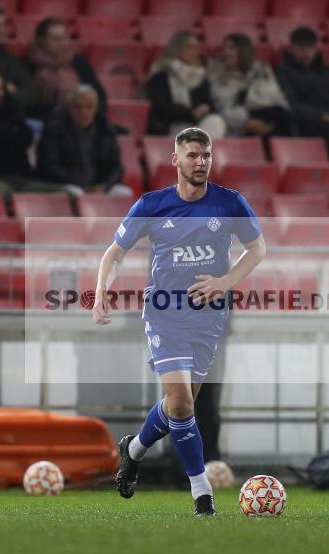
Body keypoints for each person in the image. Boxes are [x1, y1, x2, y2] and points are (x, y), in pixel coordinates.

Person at [95, 127, 266, 516]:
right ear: (176, 160)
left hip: (208, 318)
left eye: (205, 155)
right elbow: (114, 253)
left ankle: (134, 448)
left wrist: (225, 282)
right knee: (182, 401)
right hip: (164, 313)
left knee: (178, 405)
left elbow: (258, 249)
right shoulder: (152, 205)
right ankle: (202, 494)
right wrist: (103, 288)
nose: (200, 162)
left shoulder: (229, 203)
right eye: (192, 155)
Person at [37, 84, 131, 197]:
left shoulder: (105, 129)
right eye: (78, 107)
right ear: (69, 107)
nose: (83, 112)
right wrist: (81, 183)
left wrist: (105, 185)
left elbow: (116, 167)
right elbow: (50, 167)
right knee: (75, 193)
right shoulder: (54, 129)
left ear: (96, 108)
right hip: (66, 183)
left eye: (89, 107)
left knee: (124, 193)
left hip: (99, 184)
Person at [144, 30, 227, 138]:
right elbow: (161, 108)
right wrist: (191, 113)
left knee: (216, 122)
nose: (194, 52)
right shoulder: (161, 75)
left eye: (196, 48)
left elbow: (209, 103)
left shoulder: (201, 76)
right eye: (189, 47)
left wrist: (206, 108)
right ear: (176, 49)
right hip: (169, 128)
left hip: (196, 126)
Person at [207, 33, 292, 137]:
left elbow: (277, 98)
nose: (226, 52)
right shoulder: (217, 75)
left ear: (243, 51)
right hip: (237, 123)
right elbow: (220, 108)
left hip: (267, 119)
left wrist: (268, 127)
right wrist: (246, 122)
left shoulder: (261, 70)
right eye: (224, 48)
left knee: (283, 115)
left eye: (231, 48)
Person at [25, 17, 106, 122]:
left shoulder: (78, 62)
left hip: (76, 121)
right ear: (42, 41)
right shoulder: (29, 65)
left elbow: (98, 94)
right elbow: (27, 101)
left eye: (65, 38)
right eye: (56, 39)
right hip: (40, 120)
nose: (62, 43)